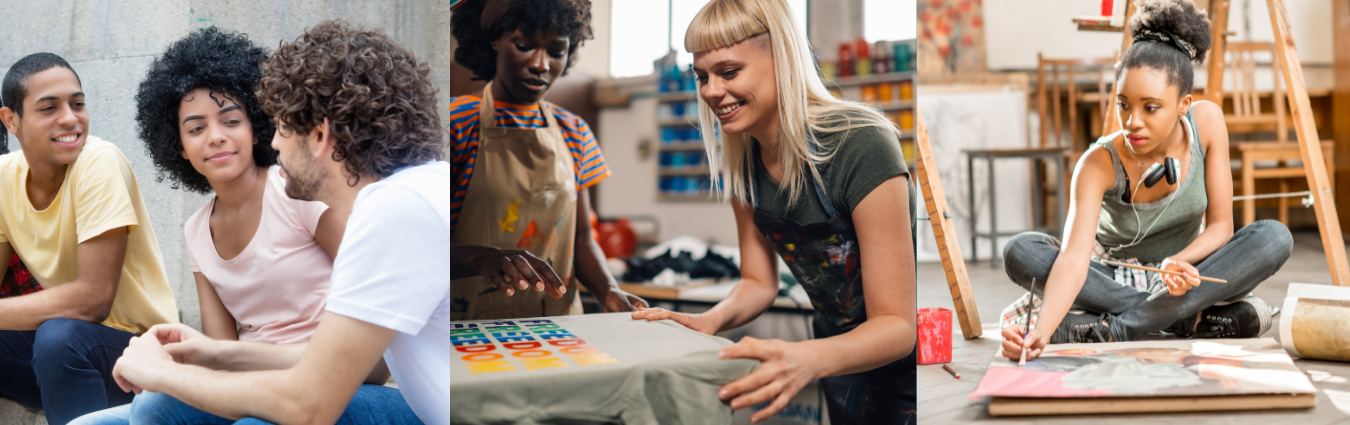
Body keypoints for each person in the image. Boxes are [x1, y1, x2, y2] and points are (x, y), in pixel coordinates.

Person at [69, 27, 424, 425]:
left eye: (231, 120)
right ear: (178, 147)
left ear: (257, 125)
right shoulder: (196, 230)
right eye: (196, 128)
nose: (216, 137)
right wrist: (185, 360)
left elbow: (369, 362)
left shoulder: (300, 193)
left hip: (337, 380)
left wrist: (172, 374)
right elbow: (218, 351)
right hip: (252, 378)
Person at [629, 0, 918, 423]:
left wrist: (807, 358)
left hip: (901, 371)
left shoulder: (861, 146)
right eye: (702, 76)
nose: (710, 90)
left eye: (728, 72)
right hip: (835, 361)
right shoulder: (744, 165)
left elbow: (897, 326)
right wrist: (710, 320)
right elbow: (757, 282)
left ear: (782, 58)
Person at [999, 0, 1292, 363]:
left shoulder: (1209, 122)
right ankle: (1184, 320)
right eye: (1124, 104)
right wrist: (1042, 332)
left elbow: (1221, 227)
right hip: (1112, 278)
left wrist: (1177, 263)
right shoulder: (1097, 164)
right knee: (1020, 252)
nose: (1132, 121)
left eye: (1150, 107)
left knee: (1274, 237)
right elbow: (1074, 260)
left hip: (1189, 273)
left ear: (1183, 104)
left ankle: (1115, 329)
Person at [0, 52, 179, 425]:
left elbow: (93, 300)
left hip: (140, 353)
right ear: (11, 120)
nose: (70, 118)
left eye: (77, 103)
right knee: (58, 339)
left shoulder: (99, 162)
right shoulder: (3, 179)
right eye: (49, 108)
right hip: (63, 354)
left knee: (59, 337)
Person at [449, 0, 645, 319]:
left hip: (556, 323)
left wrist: (608, 290)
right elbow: (418, 244)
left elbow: (581, 238)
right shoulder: (456, 122)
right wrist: (482, 259)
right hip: (467, 327)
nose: (541, 64)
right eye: (525, 46)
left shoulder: (574, 131)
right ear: (496, 40)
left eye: (556, 51)